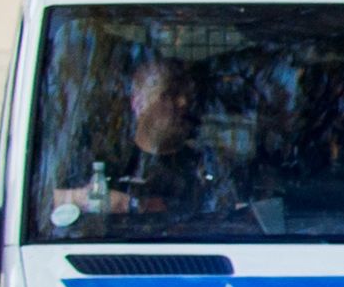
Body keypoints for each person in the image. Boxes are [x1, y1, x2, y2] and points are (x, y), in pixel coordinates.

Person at [89, 53, 238, 226]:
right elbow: (62, 200)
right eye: (170, 94)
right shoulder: (105, 165)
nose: (183, 102)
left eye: (186, 95)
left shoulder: (210, 165)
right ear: (138, 103)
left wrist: (135, 205)